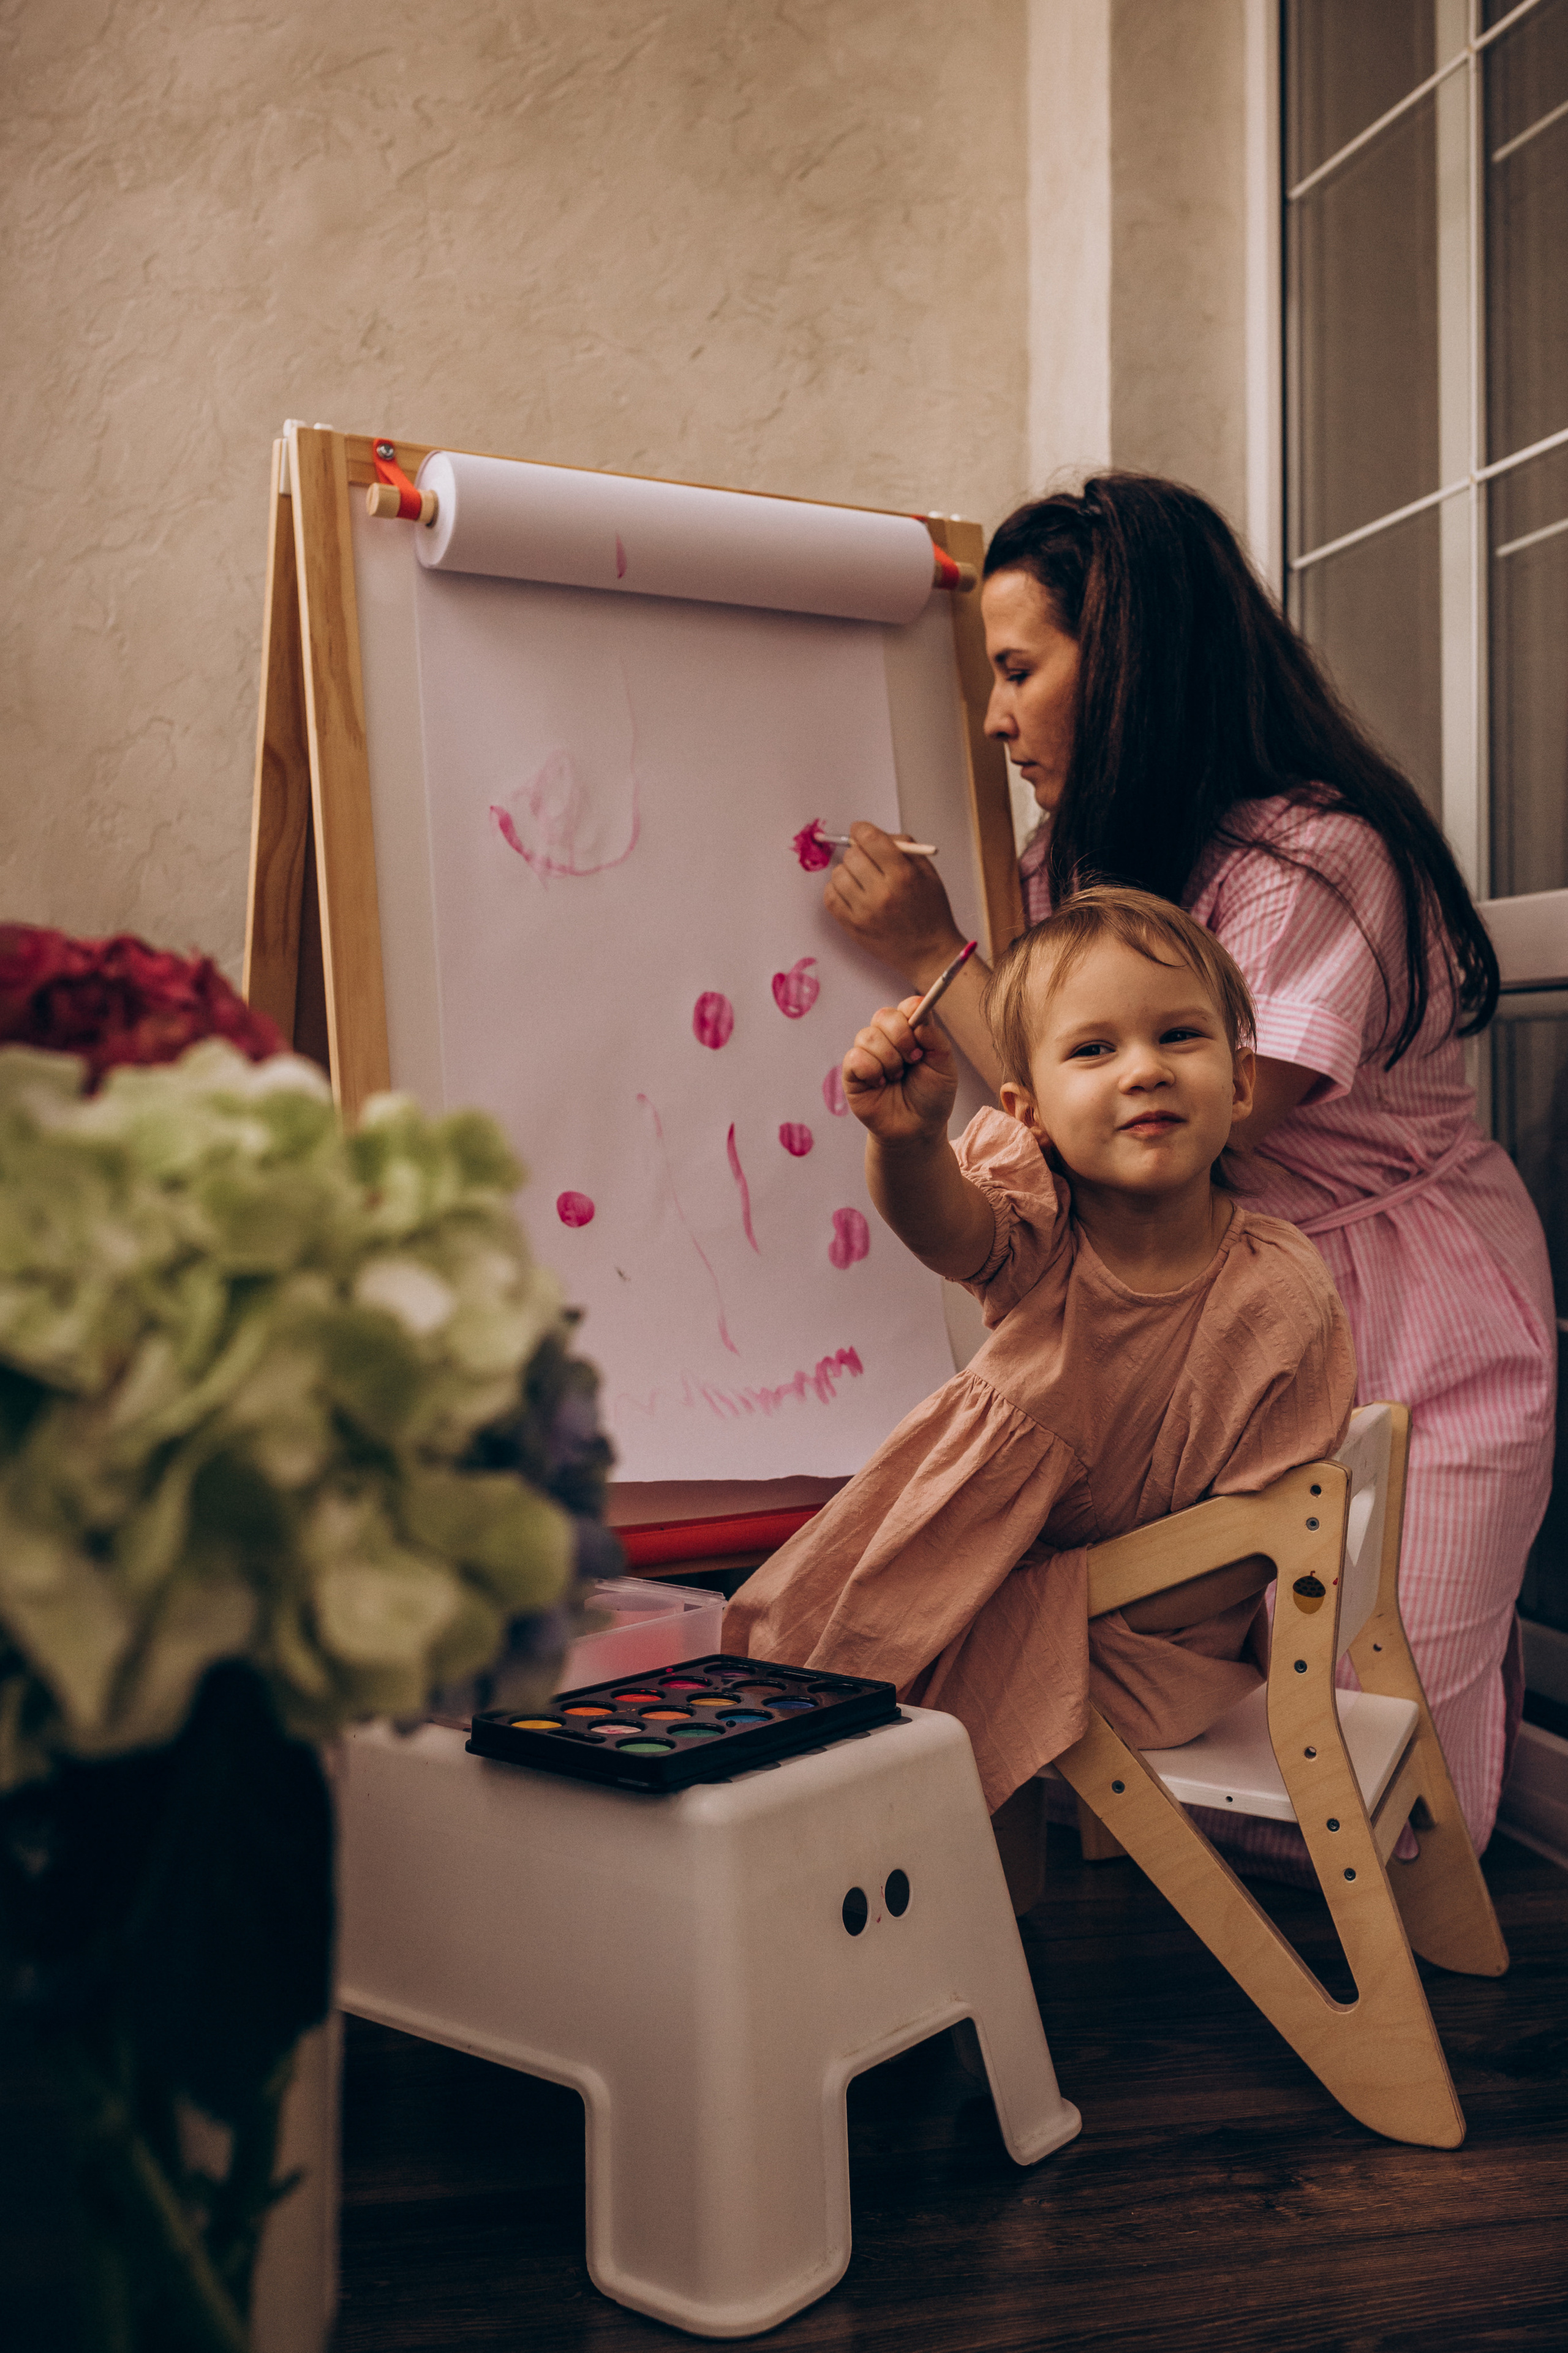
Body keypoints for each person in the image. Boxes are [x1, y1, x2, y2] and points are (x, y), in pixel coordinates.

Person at [820, 473, 1555, 1859]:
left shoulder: (1317, 856)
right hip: (1227, 1325)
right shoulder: (1078, 861)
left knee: (1392, 1778)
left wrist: (935, 958)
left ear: (1131, 665)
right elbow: (1057, 1092)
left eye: (1020, 669)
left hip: (1411, 1312)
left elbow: (1180, 1124)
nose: (991, 716)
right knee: (1232, 1733)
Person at [726, 888, 1357, 1835]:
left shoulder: (1281, 1291)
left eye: (1179, 1036)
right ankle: (812, 1871)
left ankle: (882, 1878)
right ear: (1031, 1113)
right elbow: (947, 1227)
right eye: (1095, 1050)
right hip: (964, 1556)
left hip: (1142, 1638)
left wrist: (1075, 1602)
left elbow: (1255, 1543)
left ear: (1239, 1080)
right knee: (793, 1656)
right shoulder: (1041, 1216)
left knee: (880, 1700)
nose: (1143, 1070)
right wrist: (905, 1140)